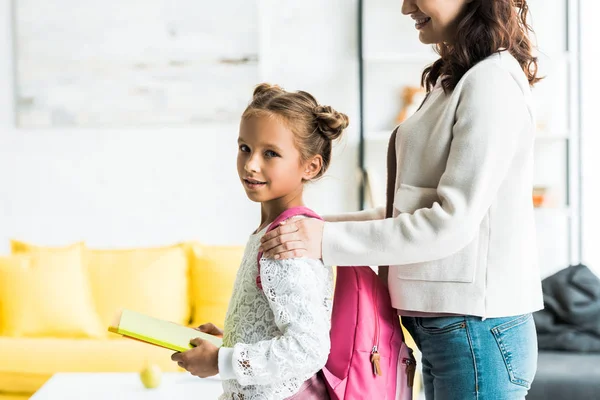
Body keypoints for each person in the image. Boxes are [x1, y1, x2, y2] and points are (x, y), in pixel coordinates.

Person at [259, 0, 543, 399]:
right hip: (456, 332)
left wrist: (323, 240)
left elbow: (449, 223)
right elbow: (410, 212)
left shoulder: (492, 83)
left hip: (475, 332)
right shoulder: (461, 80)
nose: (406, 6)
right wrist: (312, 226)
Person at [172, 83, 350, 399]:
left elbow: (308, 348)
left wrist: (221, 360)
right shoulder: (273, 230)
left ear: (310, 166)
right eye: (245, 148)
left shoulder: (287, 242)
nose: (251, 164)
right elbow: (277, 328)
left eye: (270, 153)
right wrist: (229, 342)